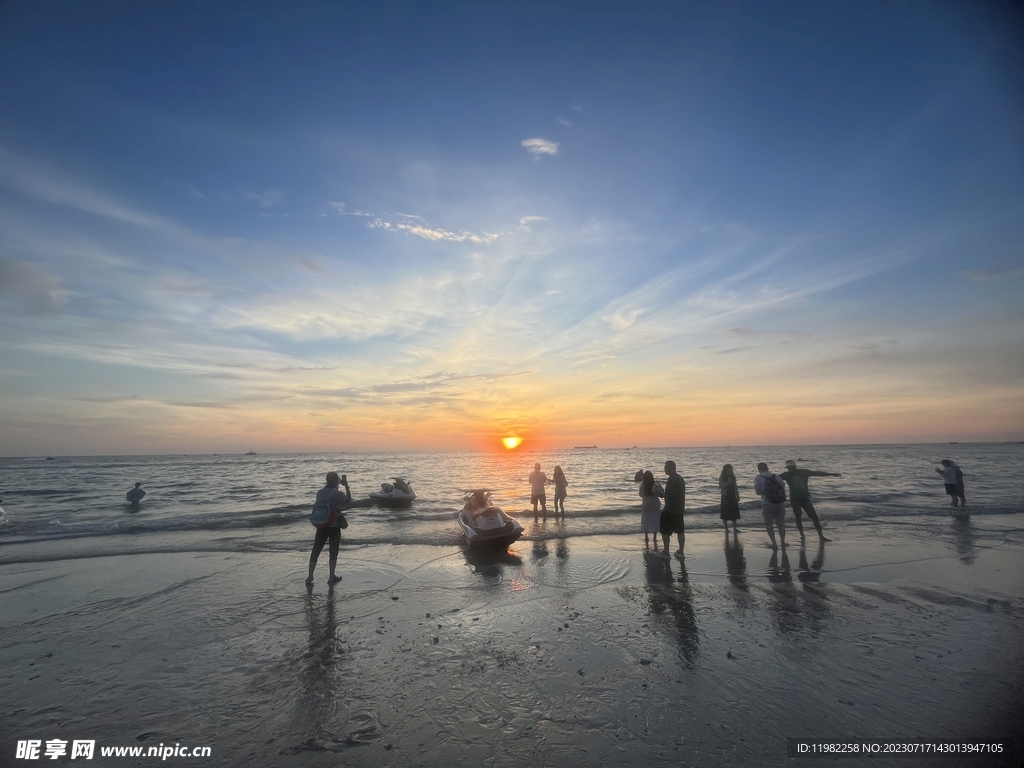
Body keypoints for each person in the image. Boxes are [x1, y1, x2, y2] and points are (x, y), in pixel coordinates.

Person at [306, 471, 351, 586]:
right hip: (334, 526)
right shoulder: (338, 494)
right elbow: (349, 501)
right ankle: (331, 577)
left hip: (321, 524)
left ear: (326, 481)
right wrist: (346, 487)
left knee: (316, 550)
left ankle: (310, 576)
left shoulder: (319, 493)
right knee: (333, 552)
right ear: (336, 481)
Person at [779, 459, 840, 542]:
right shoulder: (786, 475)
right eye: (789, 468)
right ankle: (802, 535)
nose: (790, 469)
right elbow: (773, 479)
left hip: (805, 498)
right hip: (794, 499)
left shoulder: (804, 472)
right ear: (787, 468)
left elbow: (817, 473)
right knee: (798, 517)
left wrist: (831, 474)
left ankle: (821, 536)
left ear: (795, 467)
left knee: (814, 517)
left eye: (791, 467)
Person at [755, 462, 786, 549]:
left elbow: (757, 492)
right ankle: (783, 542)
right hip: (779, 502)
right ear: (767, 468)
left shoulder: (759, 478)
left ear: (759, 469)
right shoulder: (776, 476)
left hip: (767, 502)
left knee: (769, 523)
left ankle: (774, 544)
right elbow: (783, 486)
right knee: (781, 522)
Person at [661, 460, 686, 557]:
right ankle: (681, 551)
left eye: (666, 467)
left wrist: (662, 494)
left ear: (671, 468)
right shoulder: (680, 478)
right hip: (679, 508)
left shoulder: (671, 479)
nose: (665, 469)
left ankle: (666, 551)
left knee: (664, 530)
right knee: (680, 531)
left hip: (670, 508)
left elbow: (670, 495)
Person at [639, 470, 665, 550]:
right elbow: (662, 493)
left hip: (646, 506)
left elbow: (640, 495)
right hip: (655, 506)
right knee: (655, 521)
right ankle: (654, 536)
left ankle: (646, 536)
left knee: (646, 521)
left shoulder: (643, 486)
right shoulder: (655, 485)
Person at [718, 464, 740, 532]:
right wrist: (728, 482)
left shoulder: (733, 477)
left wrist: (738, 495)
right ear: (725, 470)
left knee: (734, 512)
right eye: (729, 469)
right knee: (725, 513)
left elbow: (735, 487)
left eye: (731, 469)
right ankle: (726, 528)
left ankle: (734, 527)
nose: (730, 471)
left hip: (732, 495)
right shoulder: (722, 477)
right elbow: (721, 486)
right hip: (725, 496)